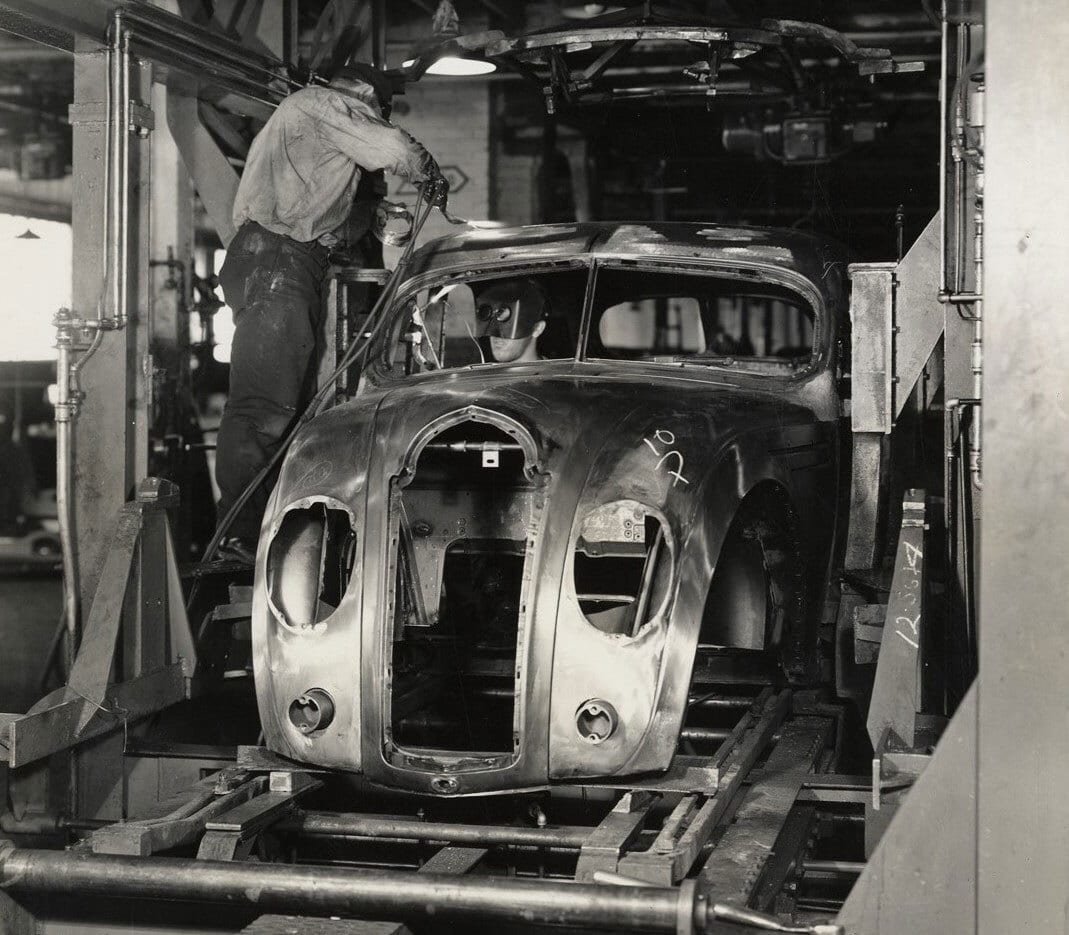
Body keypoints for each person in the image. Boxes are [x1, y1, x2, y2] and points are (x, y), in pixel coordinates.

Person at [215, 63, 447, 562]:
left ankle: (262, 526)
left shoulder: (314, 130)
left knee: (283, 404)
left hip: (285, 260)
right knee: (263, 407)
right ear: (362, 94)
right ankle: (238, 531)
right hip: (278, 260)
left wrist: (374, 215)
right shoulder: (321, 104)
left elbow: (331, 213)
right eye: (377, 109)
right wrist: (427, 169)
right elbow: (394, 147)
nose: (375, 118)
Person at [477, 280, 549, 364]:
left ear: (538, 329)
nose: (495, 335)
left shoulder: (558, 372)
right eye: (491, 320)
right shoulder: (478, 372)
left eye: (508, 324)